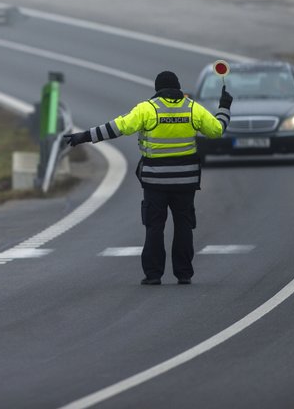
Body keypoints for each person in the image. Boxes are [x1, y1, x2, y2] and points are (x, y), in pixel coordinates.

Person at [63, 71, 232, 285]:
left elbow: (117, 128)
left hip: (155, 181)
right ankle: (184, 273)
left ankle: (153, 274)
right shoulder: (192, 108)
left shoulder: (147, 109)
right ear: (178, 88)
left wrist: (84, 136)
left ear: (157, 90)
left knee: (154, 227)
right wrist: (224, 107)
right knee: (184, 226)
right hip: (185, 181)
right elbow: (217, 130)